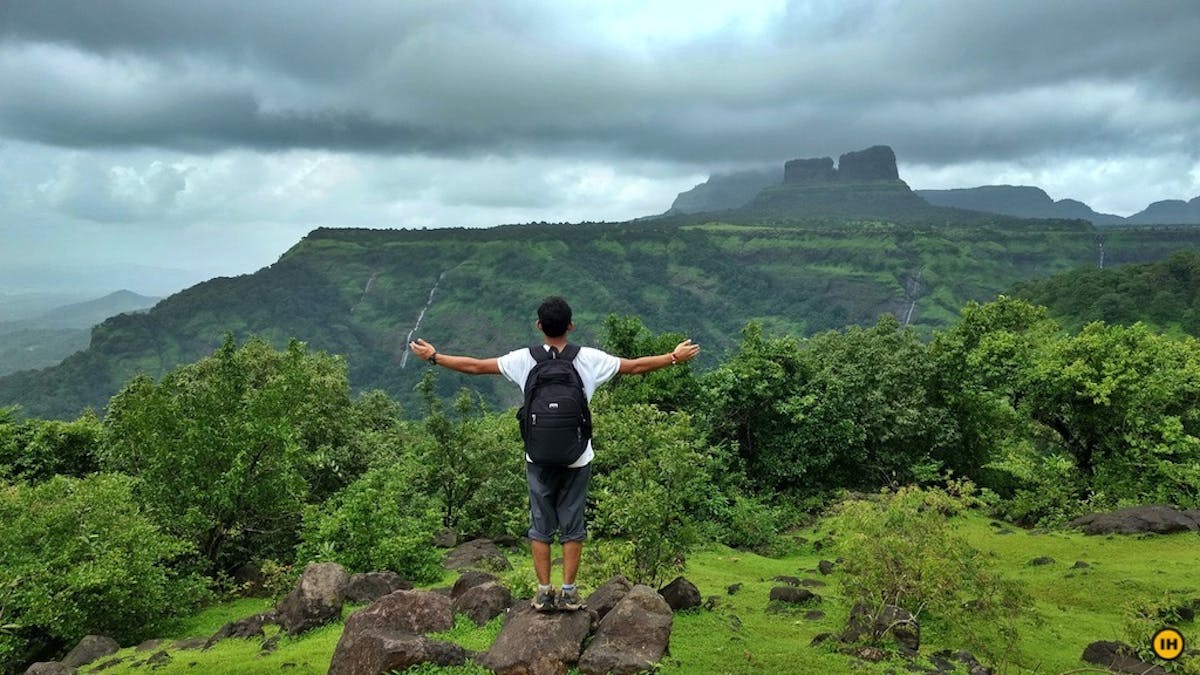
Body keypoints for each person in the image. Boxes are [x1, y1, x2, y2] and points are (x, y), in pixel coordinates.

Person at [408, 296, 700, 611]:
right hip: (578, 457)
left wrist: (434, 357)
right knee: (572, 523)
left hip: (538, 457)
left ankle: (545, 592)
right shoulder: (588, 358)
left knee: (540, 524)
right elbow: (636, 367)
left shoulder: (524, 359)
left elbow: (476, 366)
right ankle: (570, 592)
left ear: (539, 326)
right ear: (570, 326)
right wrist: (673, 357)